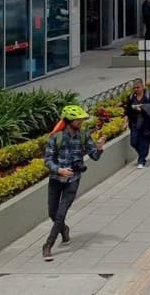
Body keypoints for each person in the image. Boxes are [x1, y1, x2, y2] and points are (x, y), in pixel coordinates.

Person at [42, 105, 106, 261]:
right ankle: (64, 230)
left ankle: (48, 245)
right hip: (56, 179)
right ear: (70, 120)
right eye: (78, 119)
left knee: (61, 213)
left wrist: (99, 148)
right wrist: (59, 170)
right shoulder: (55, 137)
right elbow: (47, 160)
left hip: (73, 180)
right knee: (53, 213)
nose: (81, 121)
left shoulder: (84, 136)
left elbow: (95, 156)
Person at [122, 80, 150, 168]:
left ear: (142, 87)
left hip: (146, 124)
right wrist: (125, 122)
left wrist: (142, 109)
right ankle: (142, 154)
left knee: (144, 141)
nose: (136, 89)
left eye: (138, 87)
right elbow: (127, 111)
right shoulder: (131, 97)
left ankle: (141, 160)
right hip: (134, 123)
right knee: (133, 142)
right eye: (134, 88)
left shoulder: (148, 95)